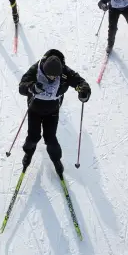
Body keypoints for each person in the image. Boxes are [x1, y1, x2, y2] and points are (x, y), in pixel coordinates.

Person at [18, 50, 91, 178]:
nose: (52, 78)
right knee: (33, 137)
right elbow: (21, 86)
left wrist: (84, 91)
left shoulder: (64, 72)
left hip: (52, 111)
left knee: (50, 139)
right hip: (34, 109)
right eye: (49, 76)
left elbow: (80, 82)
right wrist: (31, 87)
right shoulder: (36, 69)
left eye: (55, 76)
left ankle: (56, 160)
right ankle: (28, 153)